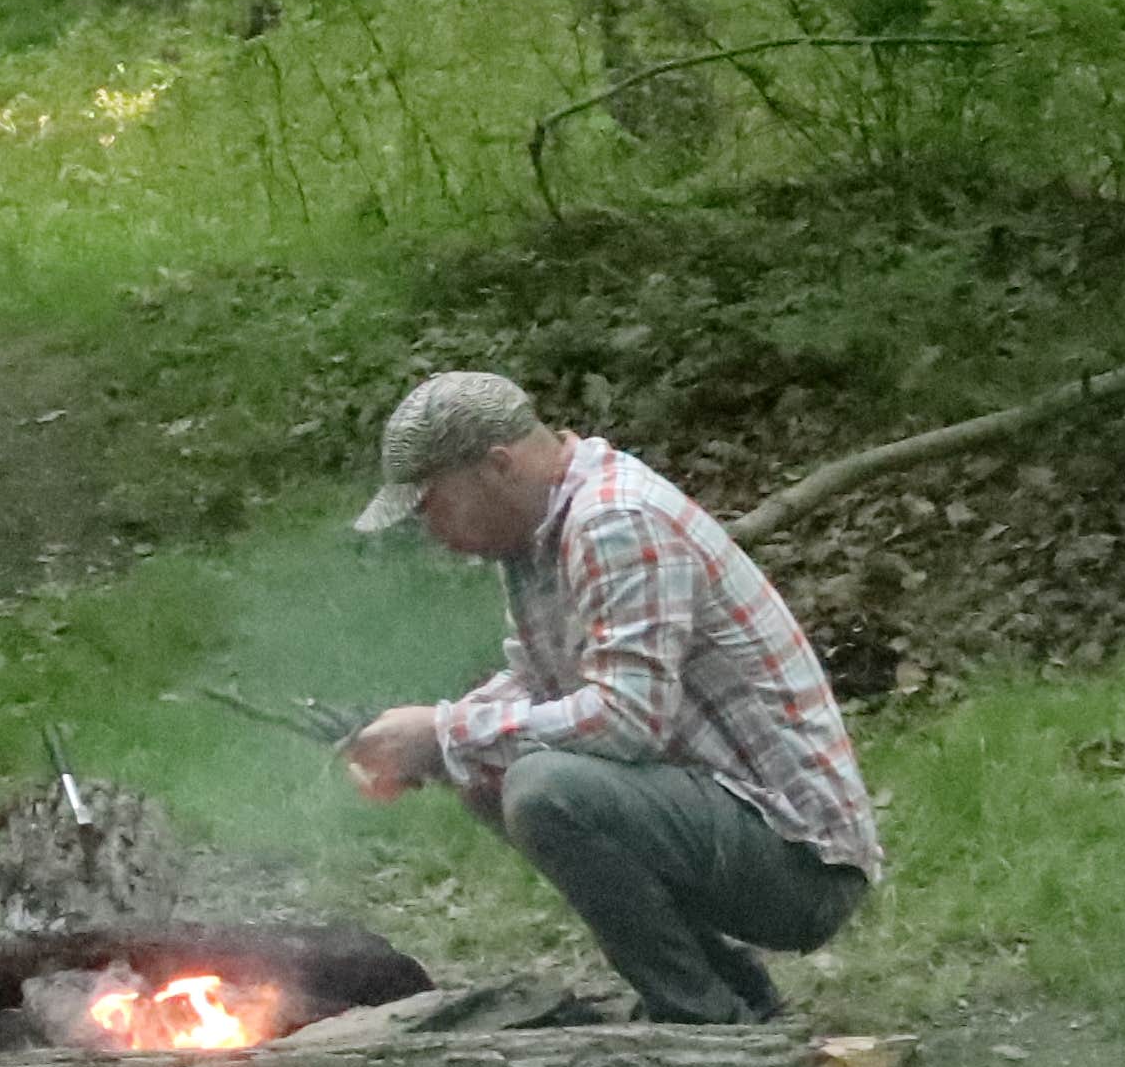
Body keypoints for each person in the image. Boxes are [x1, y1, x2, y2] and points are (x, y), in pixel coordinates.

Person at [333, 369, 882, 1024]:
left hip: (803, 863)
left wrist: (447, 733)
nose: (431, 528)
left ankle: (702, 1025)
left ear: (496, 467)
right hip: (725, 820)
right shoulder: (538, 538)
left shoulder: (614, 521)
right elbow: (539, 684)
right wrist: (428, 747)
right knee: (492, 774)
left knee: (544, 789)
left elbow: (627, 722)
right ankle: (735, 996)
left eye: (433, 503)